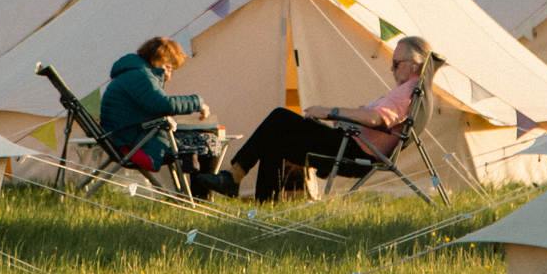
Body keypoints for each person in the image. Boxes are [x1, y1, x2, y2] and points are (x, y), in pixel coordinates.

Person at [228, 36, 435, 202]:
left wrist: (330, 112)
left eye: (396, 63)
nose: (392, 68)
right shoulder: (416, 91)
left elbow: (374, 118)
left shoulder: (406, 92)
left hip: (351, 149)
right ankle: (241, 184)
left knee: (278, 124)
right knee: (278, 124)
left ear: (415, 65)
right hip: (350, 142)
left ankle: (239, 182)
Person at [98, 37, 228, 197]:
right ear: (155, 57)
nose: (169, 72)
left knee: (200, 141)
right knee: (210, 141)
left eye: (171, 69)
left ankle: (193, 196)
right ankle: (200, 200)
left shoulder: (133, 72)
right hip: (136, 144)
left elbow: (148, 108)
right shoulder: (140, 75)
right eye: (167, 66)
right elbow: (163, 104)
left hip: (131, 138)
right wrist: (198, 103)